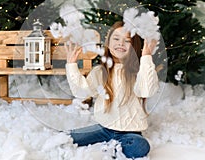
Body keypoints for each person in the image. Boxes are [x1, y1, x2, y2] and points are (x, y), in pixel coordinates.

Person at [65, 21, 159, 158]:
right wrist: (71, 65)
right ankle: (108, 143)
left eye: (127, 40)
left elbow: (147, 90)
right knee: (66, 138)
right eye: (116, 39)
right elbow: (81, 92)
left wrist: (146, 56)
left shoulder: (139, 72)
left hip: (130, 133)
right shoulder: (100, 72)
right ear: (108, 43)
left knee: (140, 146)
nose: (120, 43)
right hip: (104, 129)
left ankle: (110, 148)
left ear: (134, 46)